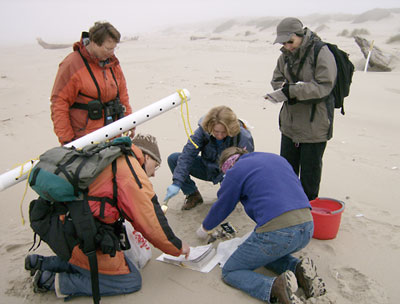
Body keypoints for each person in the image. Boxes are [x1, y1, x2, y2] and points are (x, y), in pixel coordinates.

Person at [24, 134, 190, 300]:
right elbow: (150, 220)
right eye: (156, 165)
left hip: (56, 220)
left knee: (115, 261)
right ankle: (53, 281)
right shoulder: (130, 171)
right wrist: (177, 247)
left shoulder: (111, 154)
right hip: (74, 232)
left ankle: (41, 263)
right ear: (146, 157)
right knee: (130, 279)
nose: (154, 174)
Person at [196, 147, 326, 304]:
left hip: (279, 232)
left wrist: (204, 228)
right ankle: (298, 269)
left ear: (228, 165)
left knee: (231, 271)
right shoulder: (275, 159)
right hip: (307, 226)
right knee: (264, 255)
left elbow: (223, 205)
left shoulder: (235, 170)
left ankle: (275, 287)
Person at [269, 17, 337, 200]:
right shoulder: (284, 57)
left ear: (300, 35)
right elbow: (276, 81)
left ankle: (308, 215)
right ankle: (288, 209)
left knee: (310, 178)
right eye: (283, 42)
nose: (287, 46)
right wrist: (283, 89)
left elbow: (325, 86)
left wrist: (293, 90)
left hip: (315, 126)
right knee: (287, 173)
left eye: (290, 41)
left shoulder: (321, 52)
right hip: (290, 125)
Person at [50, 21, 134, 145]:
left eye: (114, 48)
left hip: (114, 136)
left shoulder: (112, 64)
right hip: (86, 140)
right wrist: (67, 141)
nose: (111, 53)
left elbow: (123, 96)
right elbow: (59, 103)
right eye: (108, 48)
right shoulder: (72, 65)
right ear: (94, 43)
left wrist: (129, 122)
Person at [164, 106, 254, 210]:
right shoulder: (202, 131)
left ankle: (232, 196)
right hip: (208, 168)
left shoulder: (242, 136)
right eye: (216, 131)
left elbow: (246, 164)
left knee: (225, 202)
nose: (219, 136)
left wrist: (230, 178)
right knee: (174, 159)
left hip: (229, 173)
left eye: (224, 132)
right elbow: (187, 155)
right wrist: (177, 183)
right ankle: (193, 195)